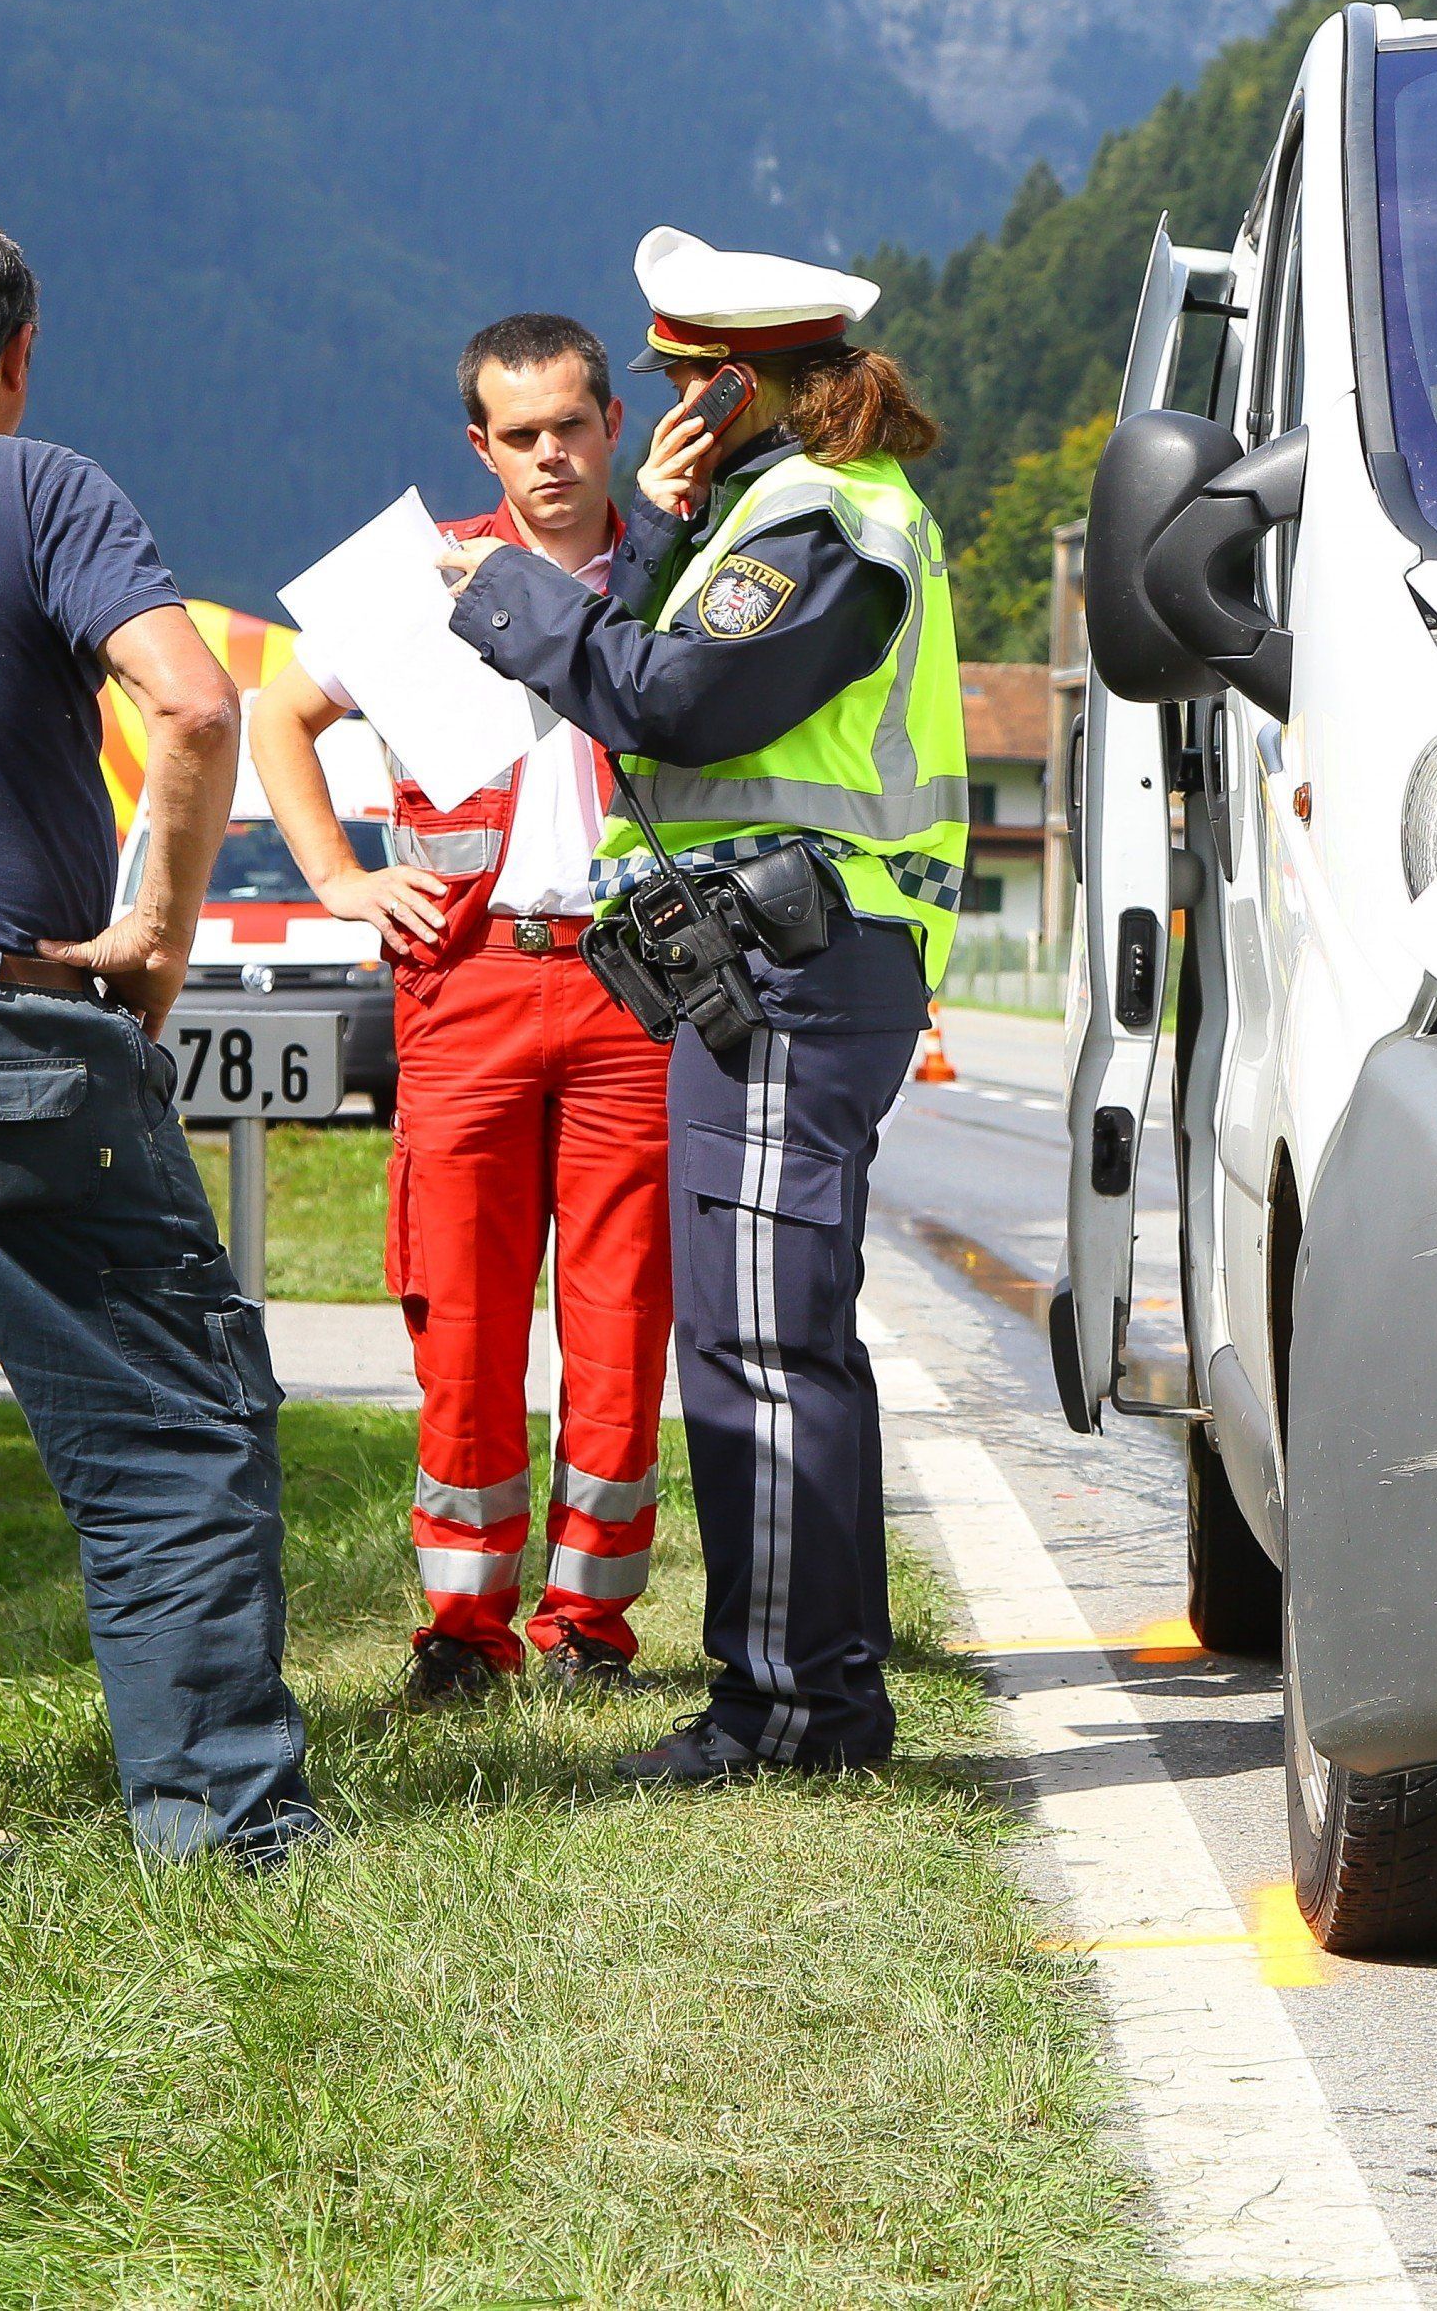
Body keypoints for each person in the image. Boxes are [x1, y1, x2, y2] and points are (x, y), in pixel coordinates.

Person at [0, 204, 320, 1901]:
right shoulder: (42, 486)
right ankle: (226, 1834)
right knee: (171, 1417)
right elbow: (192, 704)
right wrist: (155, 935)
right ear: (18, 359)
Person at [446, 226, 965, 1781]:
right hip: (768, 966)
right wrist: (657, 538)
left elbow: (675, 698)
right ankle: (799, 1695)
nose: (668, 407)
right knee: (767, 1335)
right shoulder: (764, 516)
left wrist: (520, 597)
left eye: (682, 380)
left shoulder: (819, 521)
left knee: (761, 1345)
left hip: (794, 973)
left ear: (738, 386)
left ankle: (794, 1712)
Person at [253, 315, 676, 1704]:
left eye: (572, 424)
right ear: (480, 445)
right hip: (467, 980)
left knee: (620, 1320)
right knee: (467, 1320)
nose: (551, 454)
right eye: (521, 433)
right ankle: (461, 1630)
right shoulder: (422, 572)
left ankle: (590, 1629)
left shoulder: (677, 567)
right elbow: (275, 712)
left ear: (613, 422)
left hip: (633, 984)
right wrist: (336, 873)